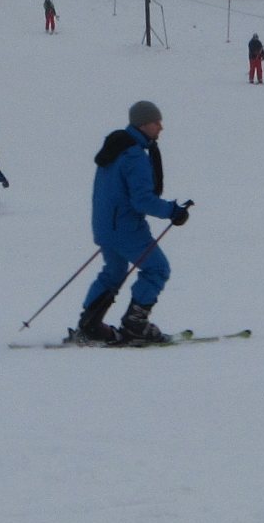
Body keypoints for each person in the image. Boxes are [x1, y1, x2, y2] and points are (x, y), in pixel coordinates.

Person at [74, 100, 192, 346]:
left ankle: (90, 325)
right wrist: (173, 211)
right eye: (156, 122)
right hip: (126, 227)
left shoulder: (115, 149)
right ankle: (135, 324)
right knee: (157, 269)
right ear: (143, 124)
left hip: (105, 226)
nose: (161, 127)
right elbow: (142, 200)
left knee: (113, 273)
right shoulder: (133, 155)